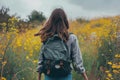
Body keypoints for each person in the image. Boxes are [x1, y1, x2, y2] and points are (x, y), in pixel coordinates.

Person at [35, 8, 88, 80]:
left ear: (51, 21)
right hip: (65, 76)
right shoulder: (71, 38)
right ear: (65, 20)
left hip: (49, 75)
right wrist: (85, 76)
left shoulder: (46, 37)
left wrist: (39, 77)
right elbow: (77, 61)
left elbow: (41, 59)